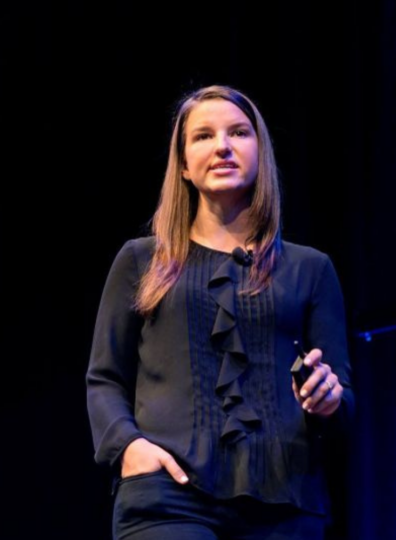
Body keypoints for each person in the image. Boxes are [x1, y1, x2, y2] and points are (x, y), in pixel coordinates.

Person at [86, 86, 354, 539]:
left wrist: (329, 399)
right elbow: (105, 379)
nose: (223, 146)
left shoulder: (311, 269)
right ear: (185, 166)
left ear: (260, 152)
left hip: (285, 500)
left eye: (238, 133)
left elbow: (343, 402)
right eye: (203, 136)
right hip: (168, 497)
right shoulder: (141, 261)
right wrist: (129, 447)